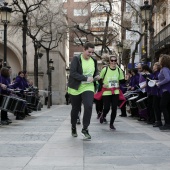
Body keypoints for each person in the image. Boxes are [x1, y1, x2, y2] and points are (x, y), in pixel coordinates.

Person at [68, 42, 100, 140]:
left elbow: (95, 71)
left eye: (92, 52)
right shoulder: (76, 59)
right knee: (75, 109)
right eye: (89, 52)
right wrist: (85, 78)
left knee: (89, 106)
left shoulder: (93, 61)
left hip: (88, 87)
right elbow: (73, 73)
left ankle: (85, 128)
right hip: (76, 88)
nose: (90, 54)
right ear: (84, 49)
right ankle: (73, 126)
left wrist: (96, 76)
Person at [99, 55, 125, 130]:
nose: (113, 62)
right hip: (106, 92)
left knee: (114, 108)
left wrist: (125, 79)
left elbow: (122, 81)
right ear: (109, 61)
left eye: (115, 61)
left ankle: (111, 124)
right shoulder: (105, 69)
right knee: (106, 108)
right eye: (112, 61)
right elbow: (100, 79)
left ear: (116, 61)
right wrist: (102, 84)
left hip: (115, 91)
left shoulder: (119, 70)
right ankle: (103, 115)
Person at [156, 54, 170, 130]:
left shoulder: (164, 69)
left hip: (166, 90)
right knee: (167, 107)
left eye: (160, 59)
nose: (159, 61)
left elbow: (168, 78)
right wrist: (157, 81)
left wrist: (159, 83)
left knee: (163, 106)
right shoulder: (166, 69)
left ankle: (167, 123)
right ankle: (168, 123)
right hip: (166, 90)